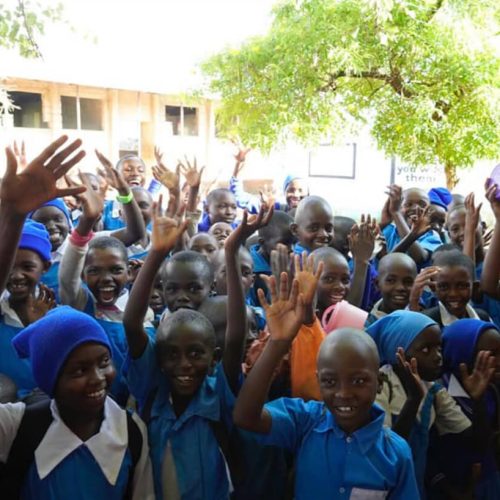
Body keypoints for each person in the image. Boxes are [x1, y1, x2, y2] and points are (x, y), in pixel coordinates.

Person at [123, 204, 271, 498]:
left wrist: (231, 250)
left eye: (196, 354)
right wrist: (156, 253)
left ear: (213, 358)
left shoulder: (217, 392)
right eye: (172, 355)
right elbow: (131, 323)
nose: (184, 365)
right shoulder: (153, 386)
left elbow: (234, 337)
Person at [233, 274, 419, 499]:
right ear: (319, 381)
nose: (344, 393)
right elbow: (246, 417)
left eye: (358, 381)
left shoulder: (396, 453)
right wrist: (278, 343)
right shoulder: (306, 422)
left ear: (379, 382)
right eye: (330, 382)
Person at [0, 307, 154, 499]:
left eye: (104, 362)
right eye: (80, 371)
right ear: (51, 381)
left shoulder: (130, 431)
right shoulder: (18, 425)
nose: (98, 378)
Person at [367, 310, 492, 493]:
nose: (438, 357)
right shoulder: (381, 386)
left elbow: (475, 442)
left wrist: (478, 400)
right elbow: (388, 454)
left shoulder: (432, 389)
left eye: (439, 348)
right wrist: (413, 399)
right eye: (426, 349)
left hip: (414, 486)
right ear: (398, 353)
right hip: (384, 487)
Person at [0, 136, 86, 398]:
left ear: (45, 265)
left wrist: (41, 328)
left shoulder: (56, 313)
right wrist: (13, 213)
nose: (16, 275)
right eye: (8, 266)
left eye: (27, 265)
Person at [427, 319, 500, 499]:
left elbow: (483, 444)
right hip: (451, 488)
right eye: (490, 355)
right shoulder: (437, 394)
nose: (498, 361)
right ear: (462, 355)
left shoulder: (492, 389)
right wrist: (451, 492)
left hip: (486, 481)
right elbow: (428, 454)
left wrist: (479, 400)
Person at [423, 249, 490, 326]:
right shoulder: (427, 323)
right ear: (433, 288)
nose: (453, 294)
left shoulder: (483, 318)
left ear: (474, 287)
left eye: (462, 286)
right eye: (444, 287)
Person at [383, 185, 442, 265]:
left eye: (422, 204)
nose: (415, 208)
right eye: (408, 204)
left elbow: (420, 258)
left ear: (429, 210)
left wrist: (396, 214)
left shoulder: (431, 236)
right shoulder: (388, 231)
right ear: (399, 208)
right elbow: (383, 263)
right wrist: (383, 224)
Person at [366, 253, 417, 324]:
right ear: (377, 284)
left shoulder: (424, 316)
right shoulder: (368, 324)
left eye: (408, 282)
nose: (400, 288)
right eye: (391, 280)